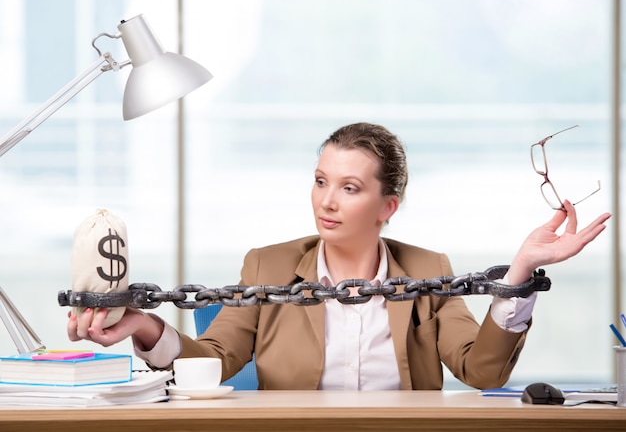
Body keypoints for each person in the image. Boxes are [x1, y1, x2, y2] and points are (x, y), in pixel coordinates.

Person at [67, 122, 611, 390]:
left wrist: (518, 272)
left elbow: (483, 371)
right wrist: (141, 325)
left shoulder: (428, 270)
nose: (327, 200)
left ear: (386, 205)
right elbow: (210, 363)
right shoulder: (268, 267)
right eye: (321, 181)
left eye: (350, 188)